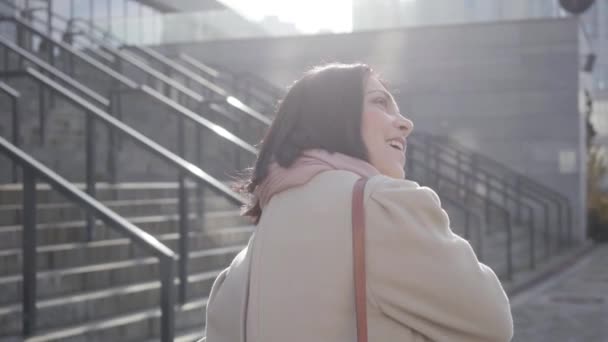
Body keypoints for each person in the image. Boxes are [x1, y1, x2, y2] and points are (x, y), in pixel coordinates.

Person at [201, 63, 513, 341]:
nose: (406, 123)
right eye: (380, 101)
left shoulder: (242, 264)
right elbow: (492, 321)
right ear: (332, 115)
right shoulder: (380, 206)